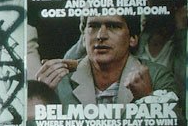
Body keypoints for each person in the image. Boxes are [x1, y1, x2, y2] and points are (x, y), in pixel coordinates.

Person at [36, 14, 178, 105]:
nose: (101, 35)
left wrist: (147, 98)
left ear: (133, 38)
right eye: (93, 26)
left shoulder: (157, 76)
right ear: (84, 38)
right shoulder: (59, 81)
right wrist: (40, 95)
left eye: (113, 26)